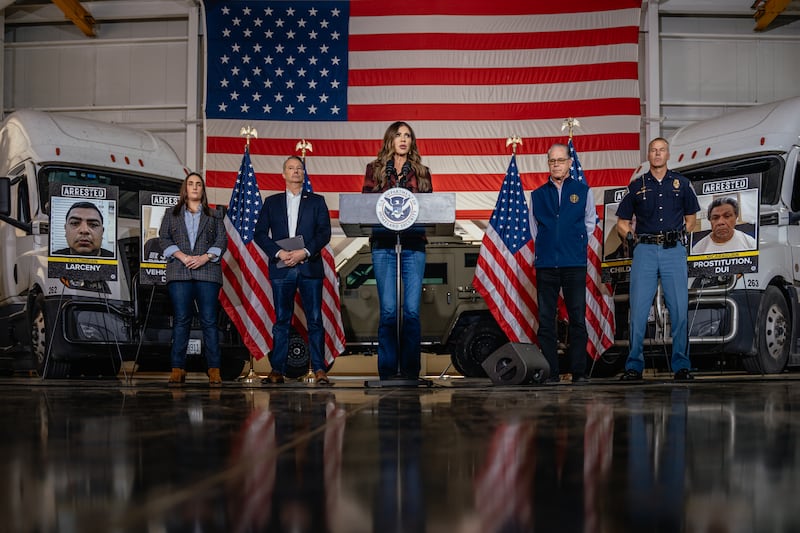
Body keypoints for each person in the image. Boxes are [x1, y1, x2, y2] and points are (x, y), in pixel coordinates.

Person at [615, 138, 700, 381]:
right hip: (645, 250)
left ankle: (681, 365)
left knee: (679, 310)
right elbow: (621, 222)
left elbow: (692, 217)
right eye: (653, 150)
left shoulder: (682, 184)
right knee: (638, 311)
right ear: (649, 155)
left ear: (668, 154)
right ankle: (633, 366)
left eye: (661, 150)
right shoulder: (636, 185)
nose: (657, 154)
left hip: (674, 250)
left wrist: (683, 232)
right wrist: (629, 235)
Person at [362, 121, 433, 381]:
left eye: (408, 136)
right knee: (390, 311)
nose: (403, 139)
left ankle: (411, 372)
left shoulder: (422, 171)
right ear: (390, 139)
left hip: (413, 245)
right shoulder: (376, 169)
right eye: (398, 135)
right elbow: (366, 204)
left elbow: (430, 206)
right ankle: (388, 372)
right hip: (383, 245)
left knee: (412, 312)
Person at [254, 156, 332, 385]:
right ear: (283, 173)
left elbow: (324, 233)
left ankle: (319, 370)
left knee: (315, 320)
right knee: (281, 321)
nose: (295, 171)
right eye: (291, 168)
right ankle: (277, 370)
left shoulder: (317, 201)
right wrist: (279, 253)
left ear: (304, 173)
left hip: (309, 266)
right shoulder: (271, 202)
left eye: (299, 168)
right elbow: (259, 234)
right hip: (282, 267)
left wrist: (305, 252)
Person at [529, 143, 596, 384]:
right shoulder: (537, 195)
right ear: (548, 164)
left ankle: (579, 372)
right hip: (546, 265)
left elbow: (590, 223)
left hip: (573, 264)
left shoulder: (583, 191)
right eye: (552, 161)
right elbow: (534, 229)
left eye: (560, 160)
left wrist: (574, 244)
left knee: (577, 318)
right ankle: (551, 373)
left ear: (570, 163)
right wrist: (550, 247)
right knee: (546, 320)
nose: (556, 164)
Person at [159, 172, 227, 386]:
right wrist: (183, 256)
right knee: (181, 320)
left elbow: (221, 240)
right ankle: (178, 368)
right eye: (191, 184)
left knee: (209, 320)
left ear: (202, 189)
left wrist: (204, 258)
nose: (195, 187)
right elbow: (163, 238)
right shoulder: (172, 213)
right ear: (185, 189)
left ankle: (214, 369)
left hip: (207, 271)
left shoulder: (214, 215)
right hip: (180, 271)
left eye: (198, 184)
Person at [691, 197, 757, 254]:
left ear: (736, 217)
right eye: (715, 218)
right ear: (710, 220)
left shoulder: (750, 243)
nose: (720, 222)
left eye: (727, 216)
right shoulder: (698, 249)